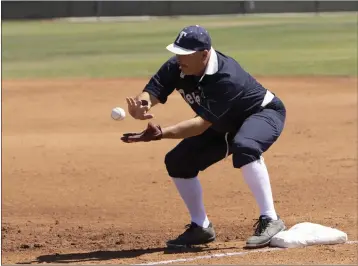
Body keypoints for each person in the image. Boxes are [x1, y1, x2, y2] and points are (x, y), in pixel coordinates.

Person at [121, 25, 287, 249]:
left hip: (261, 113)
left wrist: (161, 134)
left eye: (185, 54)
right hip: (223, 122)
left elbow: (199, 125)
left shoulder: (227, 76)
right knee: (178, 161)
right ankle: (201, 227)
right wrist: (142, 106)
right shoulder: (177, 66)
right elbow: (153, 91)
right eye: (177, 52)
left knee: (245, 145)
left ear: (204, 54)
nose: (179, 58)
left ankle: (271, 219)